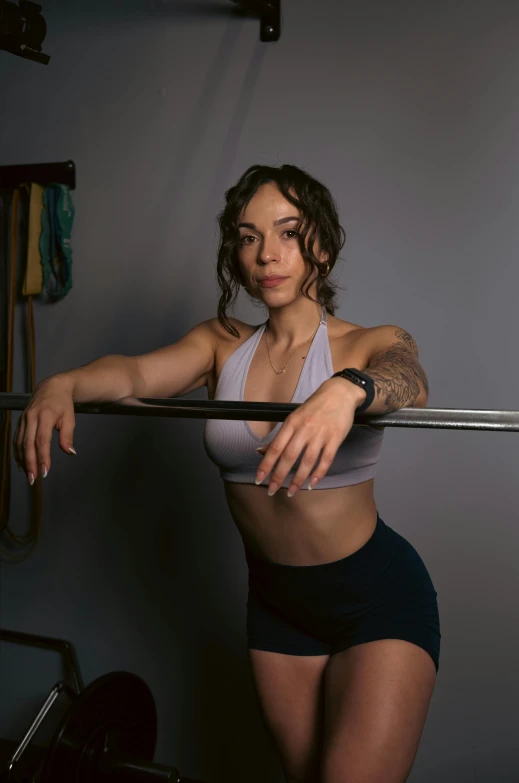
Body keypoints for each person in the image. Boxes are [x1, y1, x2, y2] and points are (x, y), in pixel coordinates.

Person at [14, 164, 440, 783]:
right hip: (276, 607)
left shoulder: (365, 344)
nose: (266, 254)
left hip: (376, 600)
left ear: (320, 243)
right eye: (247, 236)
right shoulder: (221, 345)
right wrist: (62, 384)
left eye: (287, 233)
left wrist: (348, 390)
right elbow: (133, 375)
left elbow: (412, 379)